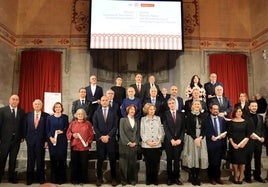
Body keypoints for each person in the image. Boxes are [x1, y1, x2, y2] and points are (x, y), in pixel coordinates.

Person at [182, 100, 208, 186]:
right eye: (195, 104)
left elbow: (205, 128)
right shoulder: (189, 115)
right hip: (191, 138)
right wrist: (195, 138)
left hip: (201, 138)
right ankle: (192, 176)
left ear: (200, 106)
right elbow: (188, 128)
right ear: (192, 106)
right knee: (193, 156)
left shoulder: (204, 115)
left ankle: (197, 176)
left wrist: (200, 137)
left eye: (198, 104)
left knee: (199, 156)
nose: (196, 105)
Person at [93, 96, 118, 186]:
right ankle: (99, 179)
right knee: (100, 159)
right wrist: (101, 136)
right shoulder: (96, 112)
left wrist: (108, 136)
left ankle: (114, 178)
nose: (104, 102)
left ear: (108, 101)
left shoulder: (113, 112)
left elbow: (115, 126)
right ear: (101, 102)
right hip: (100, 140)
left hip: (110, 140)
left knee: (112, 160)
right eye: (103, 100)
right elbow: (95, 127)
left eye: (106, 100)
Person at [0, 94, 25, 183]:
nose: (15, 101)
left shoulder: (21, 112)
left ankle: (11, 177)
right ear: (9, 100)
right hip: (5, 139)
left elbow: (22, 126)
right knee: (2, 158)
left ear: (18, 101)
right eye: (13, 99)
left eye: (17, 99)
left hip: (16, 140)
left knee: (13, 159)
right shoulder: (2, 110)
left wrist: (22, 136)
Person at [24, 99, 49, 185]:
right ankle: (29, 179)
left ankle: (41, 178)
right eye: (35, 104)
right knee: (30, 160)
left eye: (39, 104)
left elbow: (47, 129)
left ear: (41, 106)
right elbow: (25, 127)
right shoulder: (28, 115)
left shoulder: (46, 116)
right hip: (30, 141)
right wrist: (26, 138)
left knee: (40, 161)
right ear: (33, 105)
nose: (37, 105)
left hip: (41, 142)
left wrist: (46, 140)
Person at [67, 108, 94, 185]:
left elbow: (91, 134)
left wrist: (88, 142)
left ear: (84, 115)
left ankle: (83, 180)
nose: (80, 115)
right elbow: (68, 133)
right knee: (74, 164)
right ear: (76, 115)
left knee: (84, 164)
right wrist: (72, 135)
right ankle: (74, 180)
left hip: (84, 147)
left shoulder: (88, 123)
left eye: (82, 114)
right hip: (75, 147)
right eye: (78, 114)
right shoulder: (72, 123)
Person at [163, 98, 185, 185]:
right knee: (169, 160)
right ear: (168, 105)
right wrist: (171, 139)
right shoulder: (165, 114)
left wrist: (180, 139)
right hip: (169, 141)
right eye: (170, 103)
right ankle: (169, 178)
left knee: (177, 160)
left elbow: (183, 128)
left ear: (176, 104)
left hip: (179, 141)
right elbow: (165, 128)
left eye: (173, 103)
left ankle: (176, 178)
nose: (172, 104)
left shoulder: (181, 114)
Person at [140, 103, 164, 185]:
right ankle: (148, 179)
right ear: (147, 110)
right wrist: (148, 142)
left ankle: (155, 179)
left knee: (156, 163)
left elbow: (161, 131)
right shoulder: (143, 119)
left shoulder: (158, 118)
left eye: (153, 109)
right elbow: (142, 132)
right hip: (147, 145)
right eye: (150, 109)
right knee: (148, 163)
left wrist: (158, 140)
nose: (152, 111)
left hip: (157, 145)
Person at [46, 102, 69, 184]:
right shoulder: (49, 118)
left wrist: (62, 131)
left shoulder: (65, 117)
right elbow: (47, 129)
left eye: (59, 107)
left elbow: (67, 128)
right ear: (54, 108)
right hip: (53, 141)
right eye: (56, 107)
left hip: (62, 141)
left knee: (62, 160)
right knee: (53, 160)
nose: (58, 108)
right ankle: (53, 179)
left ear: (61, 108)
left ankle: (61, 179)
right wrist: (50, 138)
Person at [244, 101, 266, 183]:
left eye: (255, 106)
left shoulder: (260, 117)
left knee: (258, 159)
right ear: (249, 107)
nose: (254, 107)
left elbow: (262, 129)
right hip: (249, 141)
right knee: (248, 159)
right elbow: (246, 129)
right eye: (252, 106)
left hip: (259, 142)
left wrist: (263, 137)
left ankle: (257, 176)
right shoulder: (245, 116)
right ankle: (248, 177)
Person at [119, 104, 140, 186]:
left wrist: (135, 142)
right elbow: (121, 133)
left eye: (134, 110)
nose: (132, 111)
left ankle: (132, 180)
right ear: (128, 110)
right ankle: (123, 181)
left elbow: (138, 133)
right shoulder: (122, 120)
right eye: (131, 109)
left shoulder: (137, 120)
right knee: (123, 164)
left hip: (134, 145)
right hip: (124, 144)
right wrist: (128, 142)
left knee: (133, 163)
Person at [228, 106, 250, 184]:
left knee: (242, 162)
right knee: (235, 161)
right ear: (234, 113)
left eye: (240, 111)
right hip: (234, 144)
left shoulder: (246, 122)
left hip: (243, 144)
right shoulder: (231, 122)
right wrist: (232, 143)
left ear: (242, 113)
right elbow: (229, 134)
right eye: (237, 112)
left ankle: (241, 176)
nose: (239, 113)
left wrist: (244, 143)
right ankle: (235, 177)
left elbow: (248, 134)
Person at [206, 103, 227, 185]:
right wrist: (210, 136)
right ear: (211, 110)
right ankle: (211, 178)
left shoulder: (221, 119)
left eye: (217, 109)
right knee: (212, 162)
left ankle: (217, 178)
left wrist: (224, 134)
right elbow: (205, 130)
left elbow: (224, 129)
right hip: (211, 143)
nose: (216, 110)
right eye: (214, 109)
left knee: (218, 162)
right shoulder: (207, 119)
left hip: (220, 143)